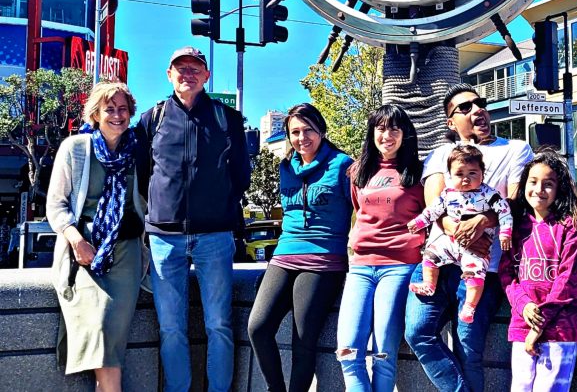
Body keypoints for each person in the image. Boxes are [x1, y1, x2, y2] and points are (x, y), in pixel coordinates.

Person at [405, 83, 533, 392]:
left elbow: (516, 203)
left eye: (480, 104)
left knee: (469, 352)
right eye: (465, 108)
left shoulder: (516, 149)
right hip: (437, 260)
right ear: (450, 122)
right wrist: (461, 231)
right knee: (417, 332)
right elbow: (434, 202)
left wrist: (482, 220)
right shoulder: (440, 155)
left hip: (482, 269)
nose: (477, 110)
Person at [137, 46, 251, 392]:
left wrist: (218, 209)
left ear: (206, 75)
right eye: (180, 69)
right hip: (163, 238)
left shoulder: (226, 119)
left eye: (195, 68)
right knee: (171, 327)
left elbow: (241, 176)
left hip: (214, 236)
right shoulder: (151, 119)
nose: (188, 74)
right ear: (169, 75)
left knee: (219, 324)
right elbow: (144, 175)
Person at [47, 81, 150, 391]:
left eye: (122, 109)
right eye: (109, 109)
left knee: (112, 336)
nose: (117, 115)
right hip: (86, 252)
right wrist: (75, 239)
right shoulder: (76, 148)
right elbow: (56, 204)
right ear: (95, 113)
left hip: (127, 253)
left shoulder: (138, 152)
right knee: (100, 326)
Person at [246, 103, 352, 391]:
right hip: (283, 255)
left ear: (321, 130)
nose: (301, 137)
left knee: (302, 339)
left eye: (308, 130)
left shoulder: (343, 165)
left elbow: (361, 210)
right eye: (295, 132)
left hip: (322, 258)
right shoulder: (285, 167)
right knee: (258, 327)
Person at [336, 104, 424, 392]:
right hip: (360, 267)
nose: (387, 135)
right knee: (348, 351)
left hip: (399, 268)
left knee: (383, 354)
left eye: (394, 128)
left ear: (405, 134)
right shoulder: (358, 171)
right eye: (381, 128)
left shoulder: (419, 174)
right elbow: (357, 211)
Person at [501, 149, 577, 392]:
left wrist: (539, 325)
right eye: (533, 181)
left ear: (558, 188)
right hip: (522, 325)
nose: (539, 189)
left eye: (548, 183)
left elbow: (570, 281)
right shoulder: (516, 227)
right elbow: (507, 275)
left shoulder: (570, 227)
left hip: (560, 329)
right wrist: (523, 305)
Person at [407, 144, 513, 323]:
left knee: (475, 274)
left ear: (482, 174)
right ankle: (429, 284)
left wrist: (505, 233)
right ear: (449, 175)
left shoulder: (489, 194)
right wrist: (418, 222)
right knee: (430, 255)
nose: (466, 179)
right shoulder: (448, 194)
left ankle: (470, 307)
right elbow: (433, 211)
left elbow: (504, 212)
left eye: (472, 173)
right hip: (450, 241)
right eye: (459, 174)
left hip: (477, 246)